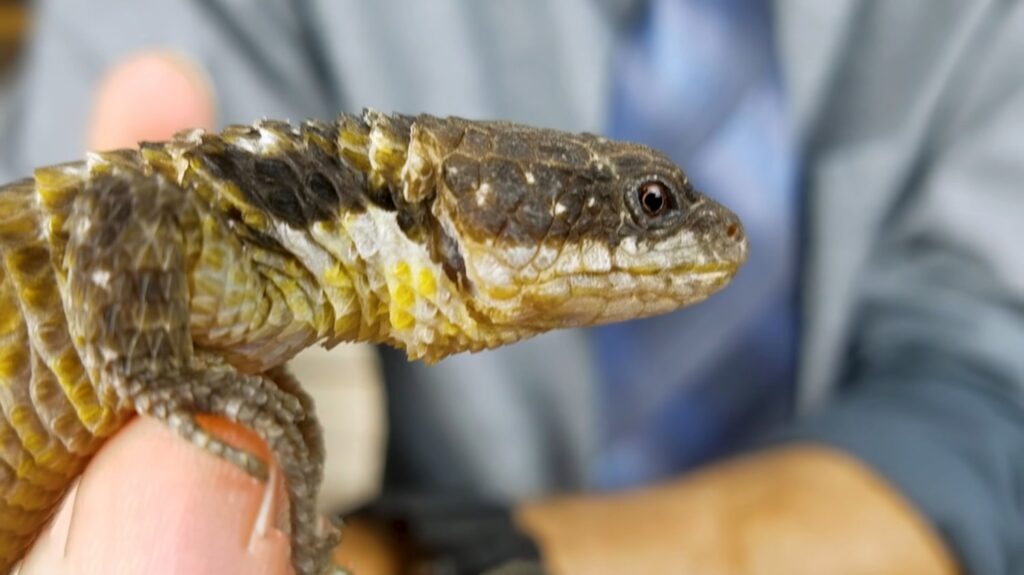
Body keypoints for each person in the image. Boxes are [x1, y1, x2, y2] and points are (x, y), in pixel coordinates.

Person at [3, 1, 1022, 573]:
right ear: (469, 210)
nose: (694, 234)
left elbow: (987, 384)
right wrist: (154, 372)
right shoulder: (257, 221)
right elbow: (120, 207)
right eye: (649, 204)